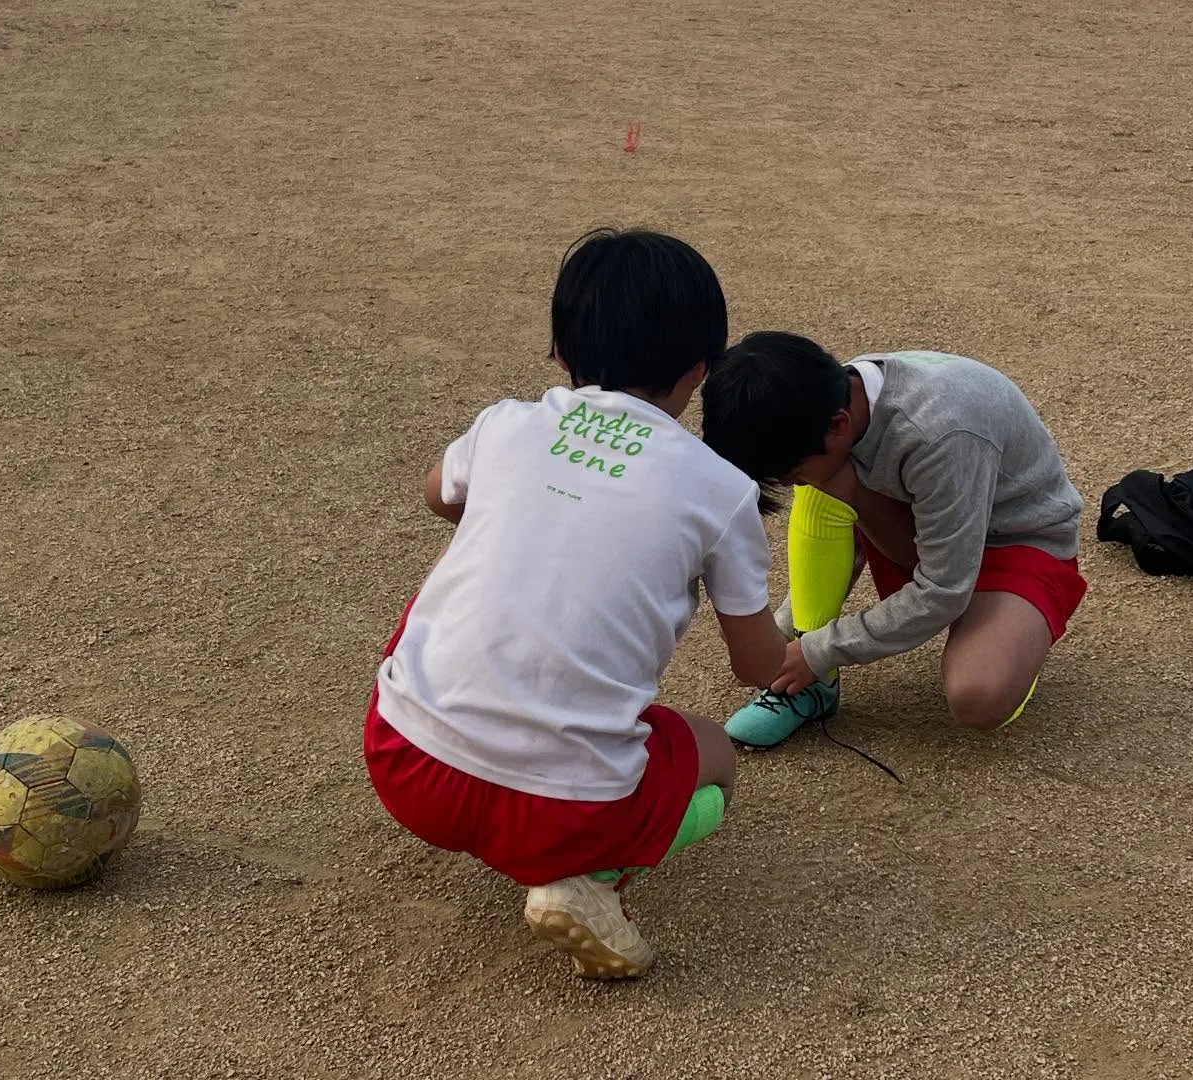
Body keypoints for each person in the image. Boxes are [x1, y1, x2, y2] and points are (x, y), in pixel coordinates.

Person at [362, 229, 785, 979]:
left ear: (560, 351)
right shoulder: (722, 490)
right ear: (700, 369)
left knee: (445, 587)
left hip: (404, 763)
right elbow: (757, 667)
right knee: (717, 761)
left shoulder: (505, 423)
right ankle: (592, 877)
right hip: (565, 813)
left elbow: (438, 497)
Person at [700, 333, 1086, 747]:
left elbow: (942, 591)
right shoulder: (823, 398)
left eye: (791, 474)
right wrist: (783, 633)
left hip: (1017, 539)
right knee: (826, 484)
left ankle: (1018, 646)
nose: (792, 485)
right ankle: (813, 680)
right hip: (924, 523)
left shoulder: (940, 433)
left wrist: (819, 651)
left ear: (839, 425)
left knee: (978, 696)